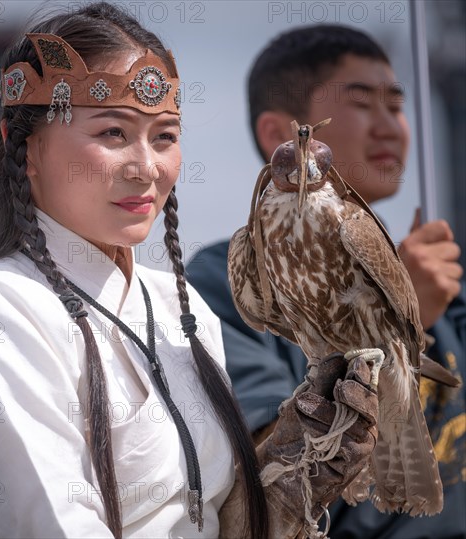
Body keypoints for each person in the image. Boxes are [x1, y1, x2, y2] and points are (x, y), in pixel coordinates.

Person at [0, 6, 383, 539]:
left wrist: (277, 496)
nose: (146, 166)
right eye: (112, 132)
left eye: (164, 136)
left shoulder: (183, 308)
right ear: (25, 146)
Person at [187, 24, 466, 539]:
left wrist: (404, 311)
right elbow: (263, 468)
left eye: (397, 105)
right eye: (362, 104)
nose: (390, 127)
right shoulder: (217, 282)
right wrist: (406, 311)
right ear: (281, 134)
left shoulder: (454, 283)